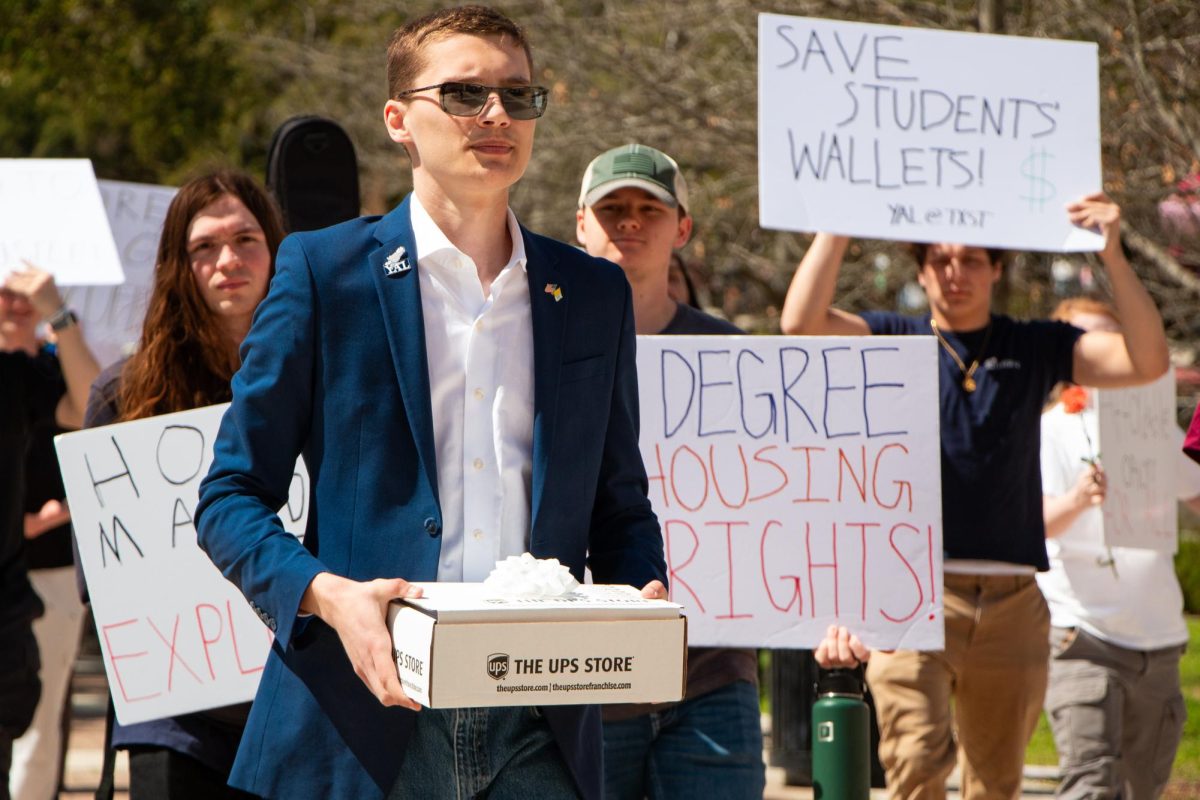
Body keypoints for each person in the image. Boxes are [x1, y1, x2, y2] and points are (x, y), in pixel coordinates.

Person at [194, 7, 667, 800]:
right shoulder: (323, 272)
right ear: (398, 121)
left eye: (518, 96)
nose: (496, 116)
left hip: (542, 723)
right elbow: (227, 498)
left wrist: (638, 594)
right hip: (362, 718)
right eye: (464, 93)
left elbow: (619, 507)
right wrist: (327, 596)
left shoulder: (592, 292)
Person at [781, 195, 1169, 800]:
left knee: (996, 782)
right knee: (915, 768)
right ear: (920, 270)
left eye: (968, 260)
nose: (953, 273)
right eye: (938, 260)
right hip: (913, 596)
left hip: (1013, 603)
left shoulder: (1036, 344)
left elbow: (1146, 361)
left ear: (996, 269)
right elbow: (799, 324)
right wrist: (836, 227)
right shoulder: (892, 334)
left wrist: (1113, 254)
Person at [83, 169, 285, 799]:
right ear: (179, 264)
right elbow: (102, 578)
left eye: (246, 239)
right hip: (174, 719)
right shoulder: (121, 397)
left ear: (276, 248)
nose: (228, 259)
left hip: (295, 705)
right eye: (204, 246)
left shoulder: (326, 380)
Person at [575, 143, 764, 799]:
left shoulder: (735, 357)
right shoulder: (540, 349)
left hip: (713, 676)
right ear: (581, 225)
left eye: (648, 210)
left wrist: (827, 610)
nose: (629, 222)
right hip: (585, 675)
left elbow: (780, 506)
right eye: (613, 209)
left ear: (681, 228)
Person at [1039, 297, 1195, 800]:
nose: (1103, 350)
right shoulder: (1046, 430)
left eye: (1112, 336)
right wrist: (1078, 499)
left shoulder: (1153, 426)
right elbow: (1031, 524)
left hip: (1160, 642)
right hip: (1083, 636)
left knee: (1142, 790)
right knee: (1090, 786)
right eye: (1086, 340)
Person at [1, 266, 98, 800]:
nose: (18, 302)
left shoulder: (43, 369)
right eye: (6, 290)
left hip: (52, 571)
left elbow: (90, 409)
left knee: (38, 720)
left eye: (27, 292)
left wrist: (58, 314)